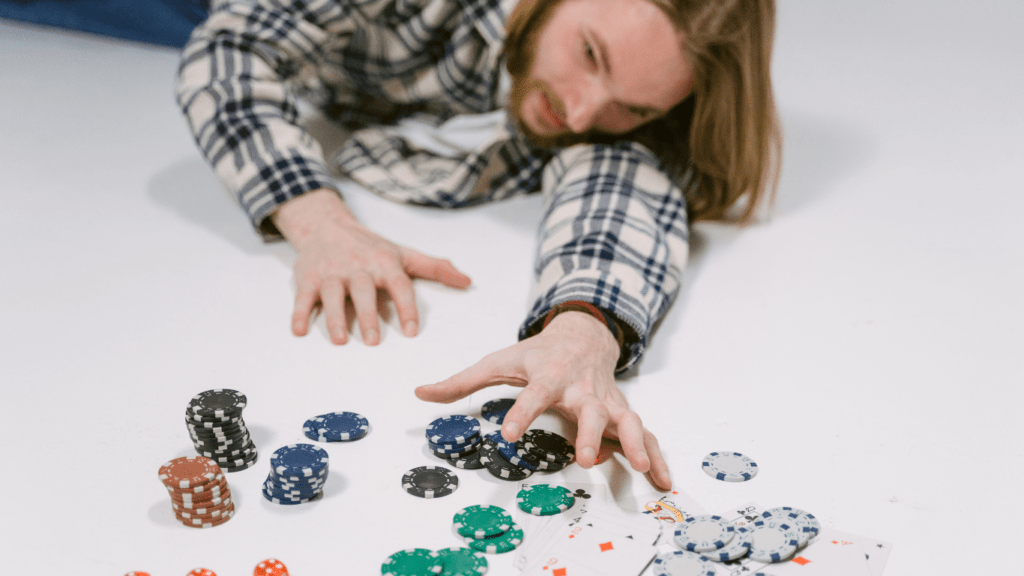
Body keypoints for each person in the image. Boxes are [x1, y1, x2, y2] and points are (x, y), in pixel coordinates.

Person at [175, 0, 781, 491]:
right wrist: (319, 222)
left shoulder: (611, 112)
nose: (580, 112)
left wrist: (582, 332)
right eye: (590, 53)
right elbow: (228, 51)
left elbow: (619, 188)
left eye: (632, 107)